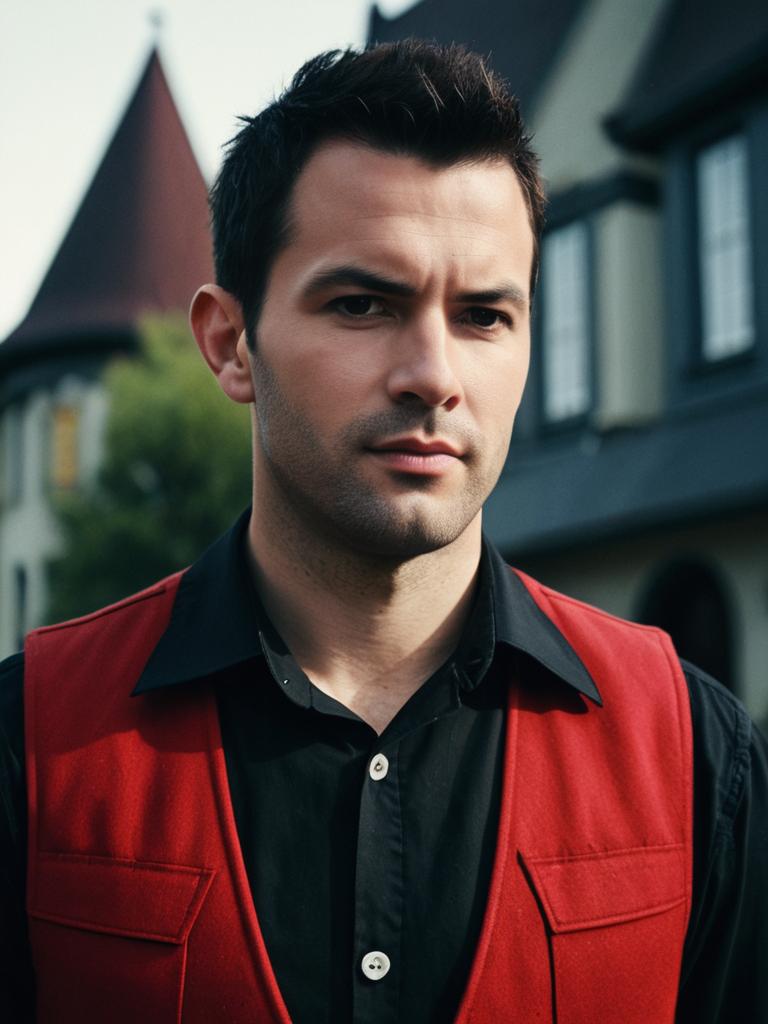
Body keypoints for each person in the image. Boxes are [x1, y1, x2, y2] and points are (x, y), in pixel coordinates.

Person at [1, 40, 766, 1024]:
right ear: (232, 345)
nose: (433, 373)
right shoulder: (31, 745)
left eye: (486, 314)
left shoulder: (697, 752)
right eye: (364, 304)